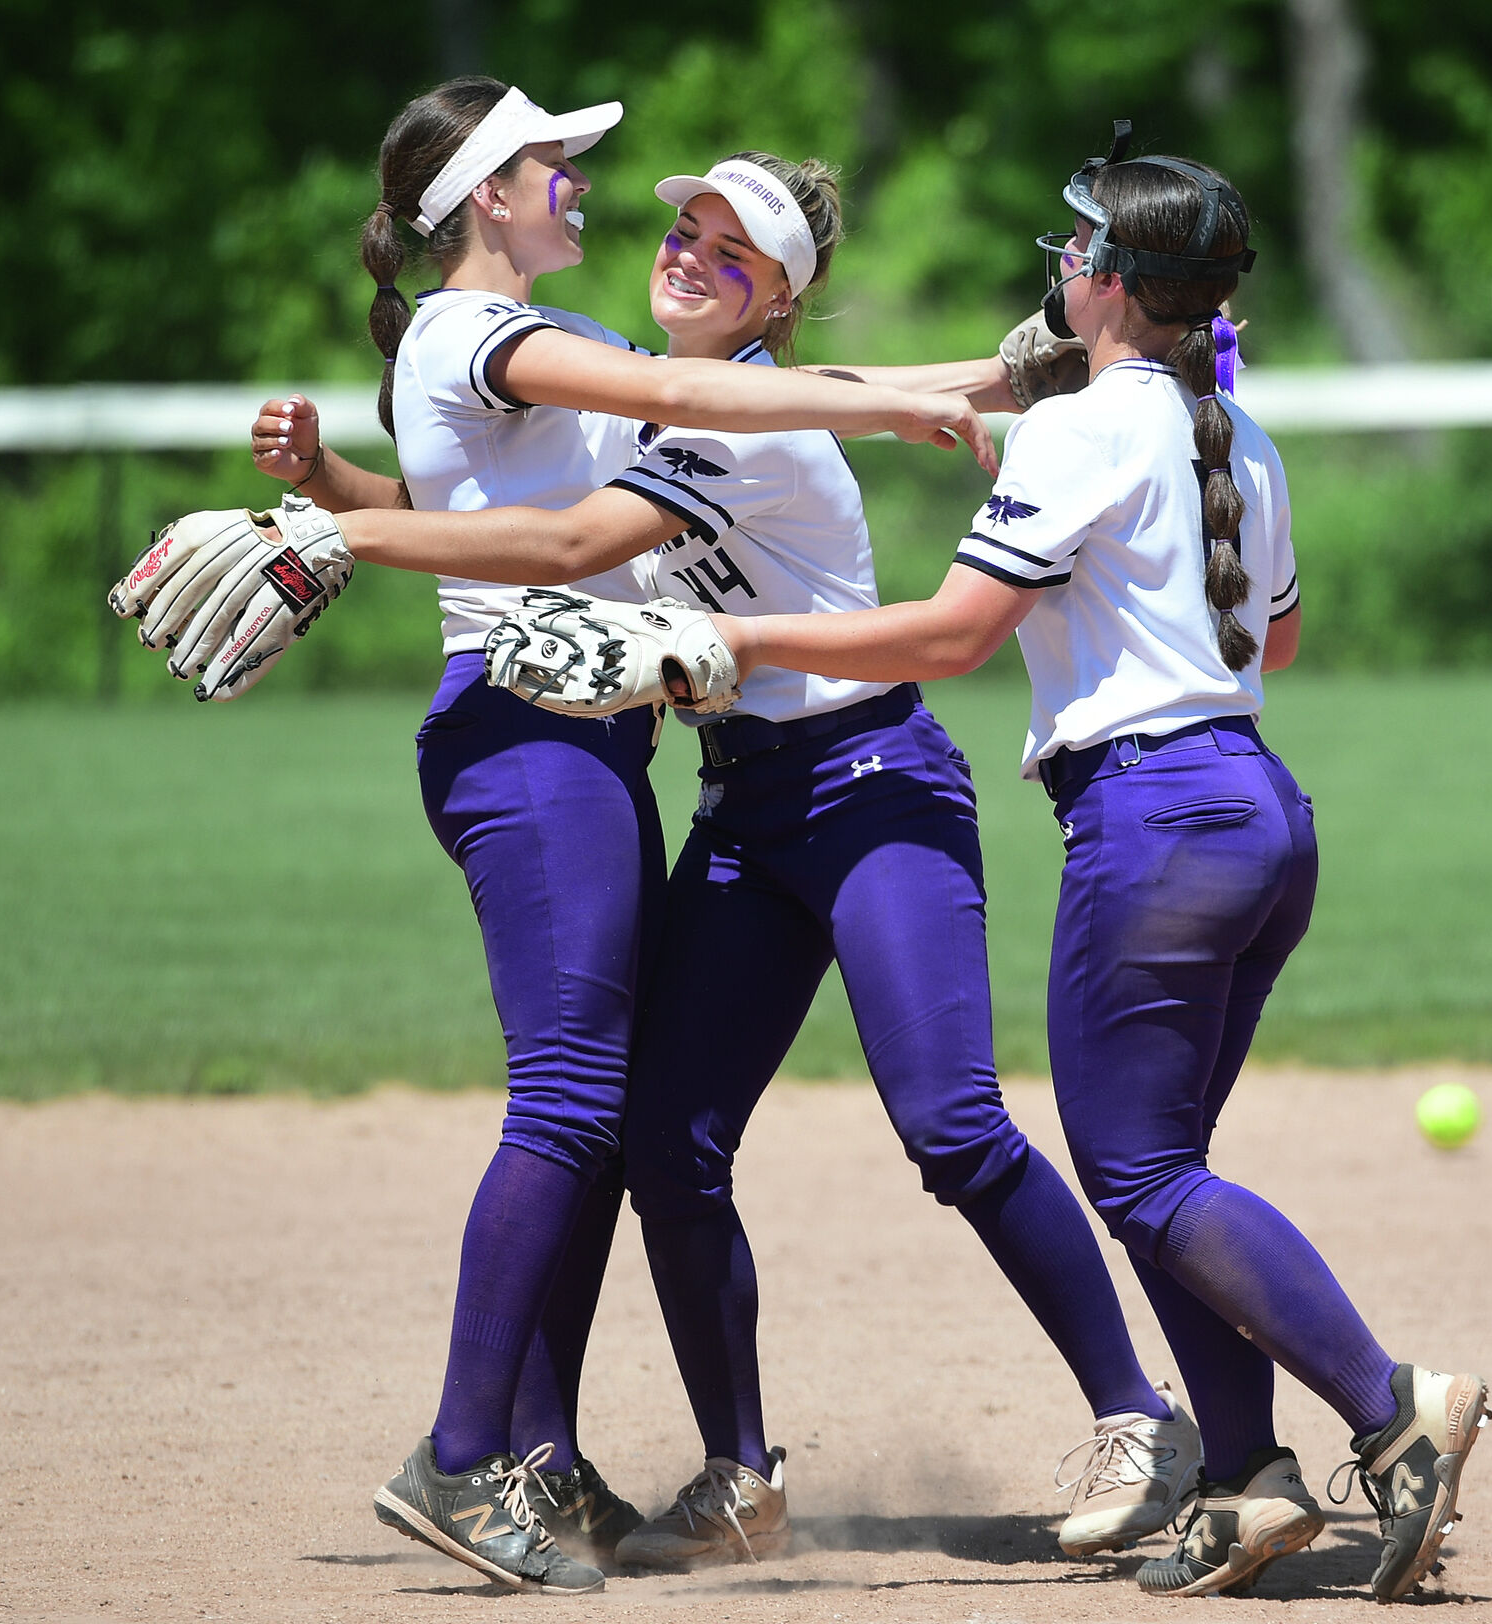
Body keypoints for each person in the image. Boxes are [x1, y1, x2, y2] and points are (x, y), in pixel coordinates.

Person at [275, 150, 1208, 1570]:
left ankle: (1142, 1417)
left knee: (951, 1126)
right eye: (687, 230)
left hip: (871, 785)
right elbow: (499, 503)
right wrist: (340, 482)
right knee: (663, 1139)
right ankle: (742, 1472)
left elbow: (573, 539)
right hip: (743, 809)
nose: (691, 253)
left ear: (777, 301)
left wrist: (335, 534)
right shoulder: (664, 395)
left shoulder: (732, 427)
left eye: (736, 252)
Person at [662, 135, 1490, 1603]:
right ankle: (1245, 1483)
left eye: (1075, 246)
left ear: (1109, 283)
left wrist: (749, 640)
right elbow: (1271, 642)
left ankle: (1391, 1408)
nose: (1059, 262)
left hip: (1155, 822)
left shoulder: (1081, 431)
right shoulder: (1237, 433)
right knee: (1161, 1172)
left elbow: (946, 640)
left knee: (1146, 1173)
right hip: (1260, 813)